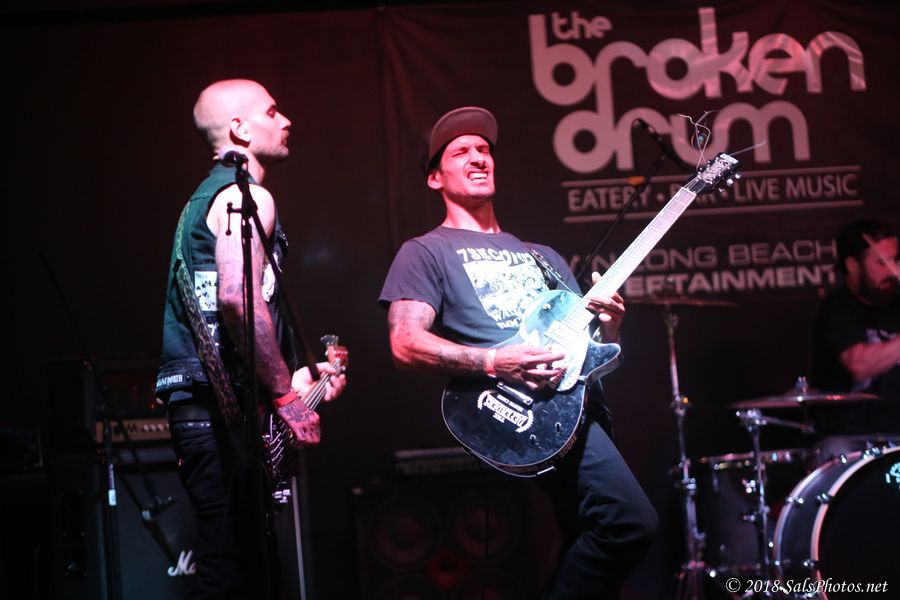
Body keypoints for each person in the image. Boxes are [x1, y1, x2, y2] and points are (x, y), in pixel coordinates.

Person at [378, 107, 657, 599]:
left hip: (571, 411)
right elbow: (405, 343)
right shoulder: (425, 251)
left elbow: (584, 353)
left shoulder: (543, 257)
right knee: (629, 522)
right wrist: (494, 362)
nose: (478, 157)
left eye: (484, 149)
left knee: (584, 535)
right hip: (510, 409)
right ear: (434, 177)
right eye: (460, 152)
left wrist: (611, 325)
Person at [155, 79, 346, 599]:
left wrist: (296, 380)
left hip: (212, 405)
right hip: (216, 414)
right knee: (229, 574)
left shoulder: (204, 201)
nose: (286, 121)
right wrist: (285, 396)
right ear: (239, 129)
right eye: (273, 111)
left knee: (250, 569)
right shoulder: (246, 197)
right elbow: (238, 302)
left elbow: (228, 312)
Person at [811, 219, 900, 439]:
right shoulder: (837, 310)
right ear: (852, 265)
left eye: (895, 260)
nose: (892, 270)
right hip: (853, 437)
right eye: (881, 263)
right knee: (836, 447)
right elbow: (859, 365)